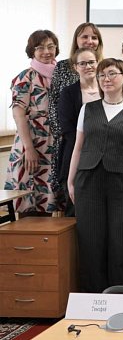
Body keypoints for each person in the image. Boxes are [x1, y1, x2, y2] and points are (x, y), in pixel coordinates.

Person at [67, 58, 123, 292]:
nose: (106, 79)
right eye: (102, 75)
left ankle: (120, 297)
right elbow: (78, 147)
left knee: (121, 241)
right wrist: (71, 182)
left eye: (112, 74)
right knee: (90, 241)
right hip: (88, 181)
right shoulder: (88, 109)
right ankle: (94, 298)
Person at [4, 30, 60, 214]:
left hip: (54, 144)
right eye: (40, 48)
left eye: (51, 46)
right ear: (32, 51)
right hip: (32, 142)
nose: (47, 51)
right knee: (30, 199)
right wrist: (29, 148)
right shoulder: (25, 77)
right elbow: (18, 115)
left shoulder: (61, 75)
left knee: (50, 199)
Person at [47, 22, 104, 206]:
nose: (89, 41)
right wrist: (64, 136)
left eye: (94, 37)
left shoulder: (106, 68)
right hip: (71, 141)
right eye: (84, 36)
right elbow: (54, 103)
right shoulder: (63, 67)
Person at [57, 48, 101, 217]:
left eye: (91, 62)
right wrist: (90, 145)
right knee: (75, 210)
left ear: (97, 63)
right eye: (82, 63)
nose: (88, 66)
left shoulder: (107, 89)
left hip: (105, 158)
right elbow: (67, 127)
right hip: (76, 156)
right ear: (75, 67)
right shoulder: (68, 93)